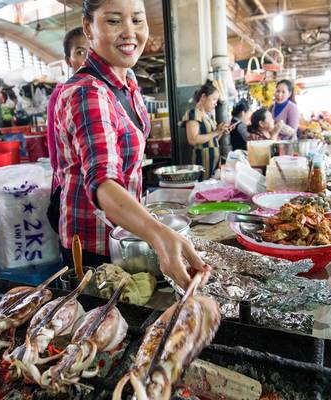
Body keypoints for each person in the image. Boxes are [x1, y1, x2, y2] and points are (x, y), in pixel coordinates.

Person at [54, 0, 209, 289]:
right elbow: (102, 182)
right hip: (94, 244)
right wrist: (159, 234)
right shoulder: (87, 93)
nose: (130, 32)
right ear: (88, 28)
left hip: (127, 232)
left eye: (137, 20)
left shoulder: (128, 81)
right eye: (114, 21)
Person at [46, 27, 90, 235]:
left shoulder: (105, 91)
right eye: (80, 52)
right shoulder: (61, 95)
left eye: (91, 51)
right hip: (77, 193)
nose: (87, 58)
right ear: (68, 60)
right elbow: (55, 154)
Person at [184, 80, 230, 180]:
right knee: (203, 189)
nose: (216, 104)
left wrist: (220, 131)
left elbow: (213, 140)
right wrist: (216, 132)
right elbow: (193, 139)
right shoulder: (193, 113)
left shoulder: (209, 116)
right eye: (214, 99)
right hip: (202, 162)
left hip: (213, 162)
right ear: (204, 97)